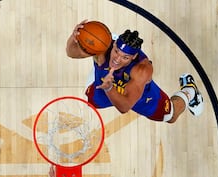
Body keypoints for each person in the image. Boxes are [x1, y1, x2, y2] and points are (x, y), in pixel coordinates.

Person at [65, 20, 203, 123]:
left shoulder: (142, 70)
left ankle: (190, 91)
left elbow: (124, 107)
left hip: (137, 95)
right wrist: (74, 37)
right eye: (116, 52)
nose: (117, 59)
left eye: (125, 57)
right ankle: (100, 71)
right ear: (113, 45)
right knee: (91, 100)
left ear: (134, 57)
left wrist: (109, 88)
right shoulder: (103, 47)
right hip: (107, 85)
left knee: (171, 116)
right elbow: (71, 53)